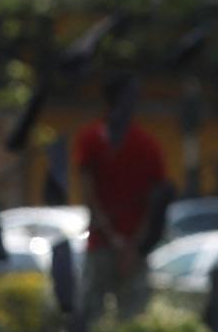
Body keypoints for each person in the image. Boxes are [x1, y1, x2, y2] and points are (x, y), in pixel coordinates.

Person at [72, 73, 169, 319]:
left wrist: (127, 243)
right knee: (120, 317)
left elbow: (154, 200)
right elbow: (89, 194)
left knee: (112, 317)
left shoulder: (144, 143)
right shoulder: (93, 139)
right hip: (110, 244)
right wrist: (126, 243)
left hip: (118, 245)